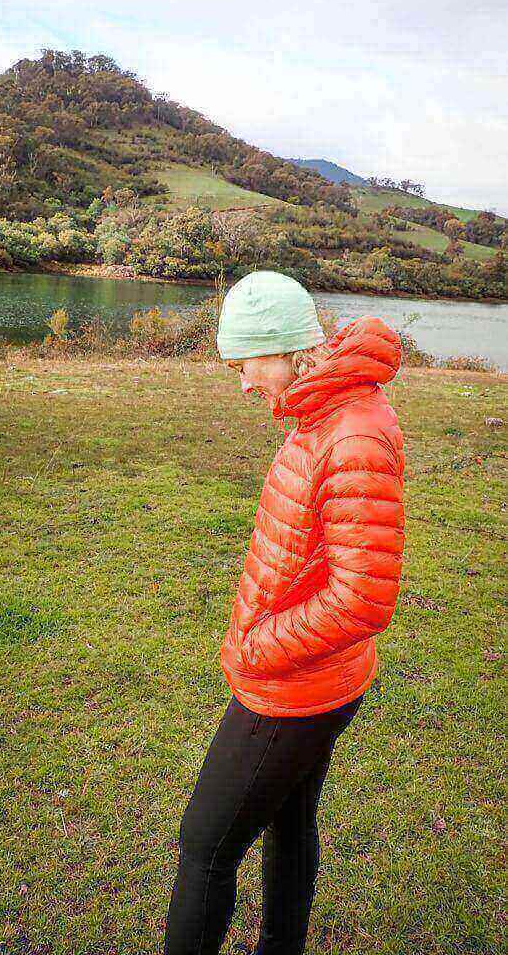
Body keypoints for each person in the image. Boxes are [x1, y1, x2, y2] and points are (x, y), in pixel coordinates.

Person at [163, 270, 405, 955]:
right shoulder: (327, 412)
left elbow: (365, 596)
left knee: (203, 845)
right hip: (319, 677)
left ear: (288, 350)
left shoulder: (350, 433)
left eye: (246, 364)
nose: (242, 383)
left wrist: (258, 647)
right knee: (289, 818)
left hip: (295, 687)